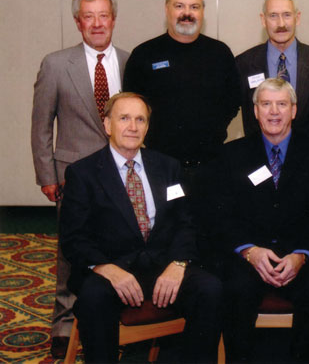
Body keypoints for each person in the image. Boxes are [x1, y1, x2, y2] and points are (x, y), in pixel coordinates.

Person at [59, 93, 222, 363]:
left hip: (162, 265)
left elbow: (186, 221)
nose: (132, 127)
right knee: (92, 299)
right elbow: (73, 238)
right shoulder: (83, 173)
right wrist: (107, 269)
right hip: (111, 268)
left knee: (211, 290)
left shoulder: (167, 167)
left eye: (140, 119)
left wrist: (179, 263)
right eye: (124, 118)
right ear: (107, 125)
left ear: (147, 127)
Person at [30, 0, 129, 358]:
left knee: (119, 245)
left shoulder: (128, 60)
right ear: (78, 22)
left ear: (113, 20)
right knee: (71, 251)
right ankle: (64, 323)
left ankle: (113, 317)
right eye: (89, 16)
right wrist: (47, 175)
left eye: (104, 15)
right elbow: (41, 125)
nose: (97, 23)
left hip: (120, 173)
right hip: (73, 175)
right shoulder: (56, 64)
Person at [215, 78, 309, 362]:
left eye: (281, 104)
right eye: (266, 104)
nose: (274, 112)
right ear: (255, 111)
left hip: (300, 257)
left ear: (293, 110)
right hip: (250, 257)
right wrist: (249, 251)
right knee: (233, 291)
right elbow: (222, 217)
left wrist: (300, 256)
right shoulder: (232, 155)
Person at [123, 0, 240, 192]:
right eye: (179, 6)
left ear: (203, 11)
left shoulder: (220, 53)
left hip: (210, 166)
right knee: (165, 225)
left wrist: (211, 130)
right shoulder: (144, 54)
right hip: (159, 167)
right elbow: (131, 107)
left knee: (209, 224)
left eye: (194, 7)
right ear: (166, 9)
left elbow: (232, 102)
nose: (187, 13)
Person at [237, 0, 309, 144]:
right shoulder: (243, 64)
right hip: (259, 162)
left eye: (287, 15)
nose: (281, 24)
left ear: (297, 18)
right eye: (273, 16)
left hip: (306, 162)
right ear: (263, 20)